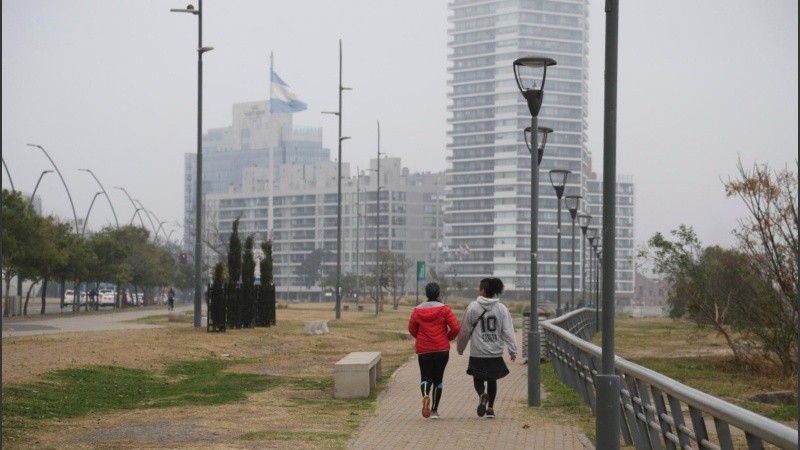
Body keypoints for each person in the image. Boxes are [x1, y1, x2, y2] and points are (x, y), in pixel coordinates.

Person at [456, 277, 517, 419]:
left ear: (483, 290)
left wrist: (460, 347)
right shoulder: (501, 309)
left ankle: (482, 395)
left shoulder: (472, 307)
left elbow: (464, 330)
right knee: (492, 378)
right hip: (495, 351)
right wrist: (512, 350)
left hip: (478, 351)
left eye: (480, 288)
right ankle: (490, 409)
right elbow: (508, 331)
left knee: (477, 378)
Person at [407, 282, 461, 419]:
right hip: (441, 349)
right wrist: (447, 338)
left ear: (426, 294)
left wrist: (420, 337)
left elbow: (412, 329)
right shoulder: (445, 310)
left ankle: (425, 395)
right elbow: (456, 328)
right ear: (438, 294)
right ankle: (434, 411)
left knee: (425, 378)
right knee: (438, 380)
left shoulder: (417, 311)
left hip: (424, 350)